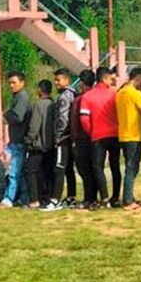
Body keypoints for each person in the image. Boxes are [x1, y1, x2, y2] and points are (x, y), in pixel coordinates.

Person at [81, 67, 121, 208]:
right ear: (104, 78)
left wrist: (91, 132)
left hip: (97, 135)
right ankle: (115, 197)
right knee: (115, 166)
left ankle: (104, 196)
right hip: (115, 134)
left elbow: (84, 119)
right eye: (110, 79)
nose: (112, 81)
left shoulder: (87, 96)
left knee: (98, 167)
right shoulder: (114, 94)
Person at [45, 68, 78, 211]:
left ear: (66, 80)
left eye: (58, 80)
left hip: (63, 138)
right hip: (72, 137)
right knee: (69, 168)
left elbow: (63, 119)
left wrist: (58, 137)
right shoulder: (74, 94)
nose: (56, 83)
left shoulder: (64, 97)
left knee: (59, 168)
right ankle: (71, 197)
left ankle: (55, 200)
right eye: (55, 80)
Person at [117, 67, 141, 211]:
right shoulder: (136, 94)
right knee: (131, 168)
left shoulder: (120, 93)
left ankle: (129, 196)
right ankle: (128, 200)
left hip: (123, 134)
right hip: (134, 134)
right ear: (139, 78)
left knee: (129, 166)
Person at [1, 71, 31, 208]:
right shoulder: (17, 97)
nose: (11, 85)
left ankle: (8, 199)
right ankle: (24, 198)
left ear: (22, 83)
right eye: (10, 83)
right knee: (20, 172)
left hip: (19, 141)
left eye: (14, 82)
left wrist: (6, 114)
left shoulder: (22, 97)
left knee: (13, 172)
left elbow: (18, 117)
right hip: (16, 140)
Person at [25, 80, 55, 209]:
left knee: (31, 170)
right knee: (47, 172)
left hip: (39, 145)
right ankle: (47, 197)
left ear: (40, 90)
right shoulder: (53, 104)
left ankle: (34, 199)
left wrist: (28, 140)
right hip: (51, 145)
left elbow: (34, 126)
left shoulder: (39, 105)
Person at [70, 70, 97, 209]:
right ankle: (94, 197)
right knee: (93, 169)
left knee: (84, 170)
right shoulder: (96, 97)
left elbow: (75, 121)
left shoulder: (80, 100)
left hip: (82, 138)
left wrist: (73, 139)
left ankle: (89, 198)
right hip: (96, 137)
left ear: (81, 83)